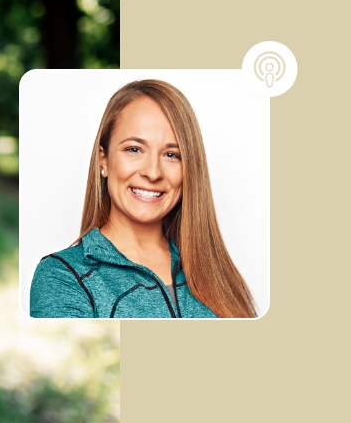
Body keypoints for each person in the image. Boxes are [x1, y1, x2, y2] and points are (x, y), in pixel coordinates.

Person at [29, 79, 256, 319]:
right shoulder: (62, 276)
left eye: (171, 154)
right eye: (134, 149)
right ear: (103, 160)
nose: (153, 172)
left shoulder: (220, 276)